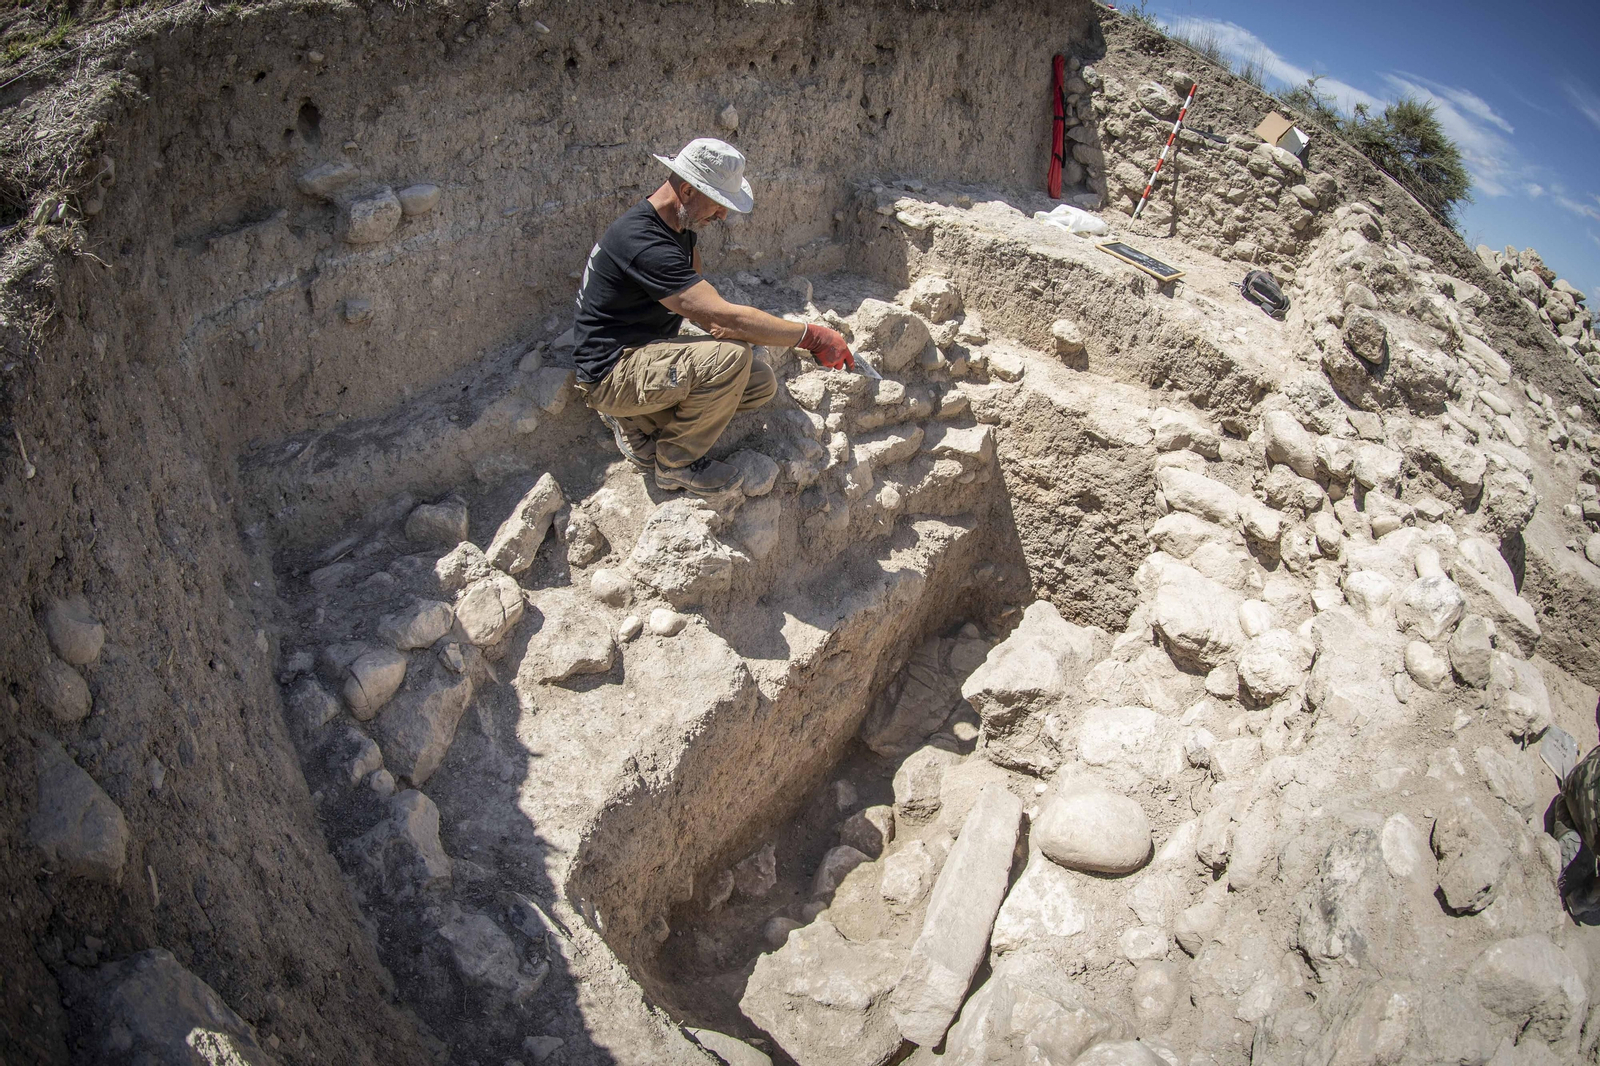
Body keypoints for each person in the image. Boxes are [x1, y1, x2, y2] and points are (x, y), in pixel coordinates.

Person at [571, 137, 855, 496]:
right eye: (718, 203)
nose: (722, 215)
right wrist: (811, 336)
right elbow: (723, 319)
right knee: (731, 358)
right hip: (611, 373)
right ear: (687, 190)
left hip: (646, 353)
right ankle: (674, 463)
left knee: (759, 383)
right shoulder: (643, 241)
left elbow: (705, 306)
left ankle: (639, 418)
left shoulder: (677, 228)